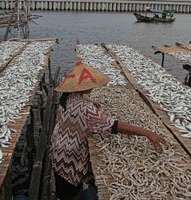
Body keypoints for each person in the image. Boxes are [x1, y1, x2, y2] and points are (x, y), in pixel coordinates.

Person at [50, 61, 166, 200]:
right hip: (70, 155)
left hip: (58, 148)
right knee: (71, 192)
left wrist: (92, 104)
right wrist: (147, 133)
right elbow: (113, 126)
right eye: (90, 85)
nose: (92, 87)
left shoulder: (67, 97)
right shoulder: (85, 108)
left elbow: (76, 111)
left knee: (63, 186)